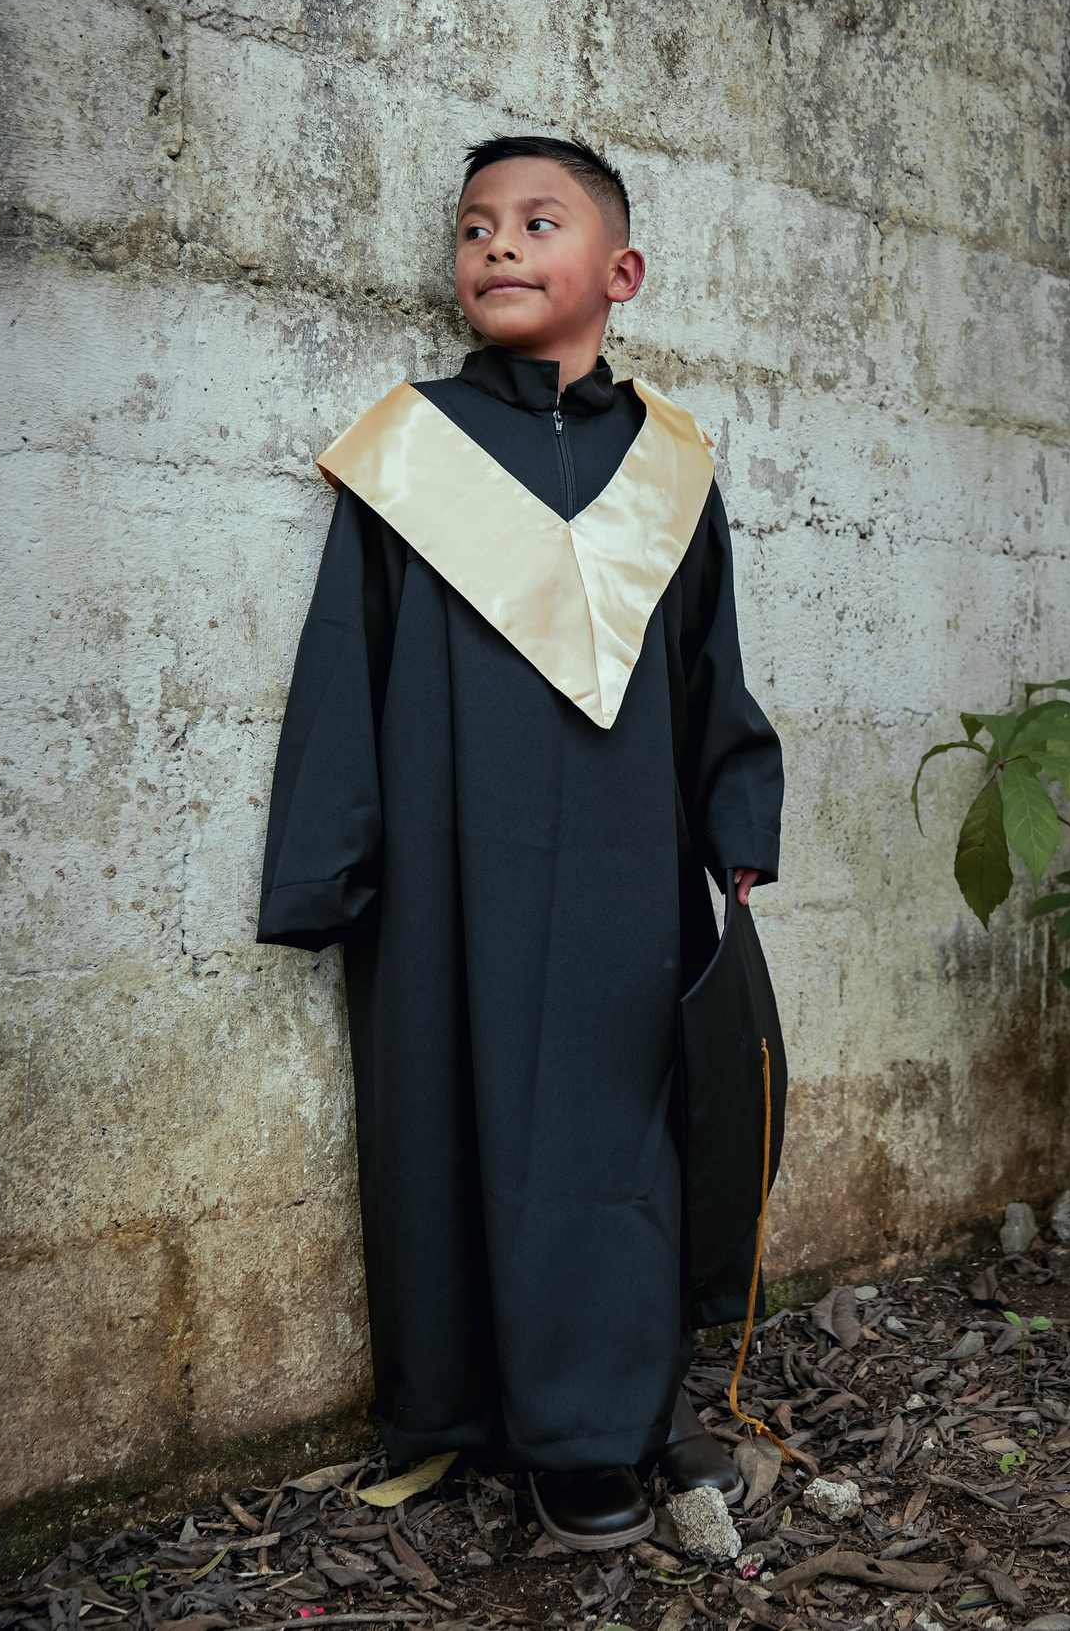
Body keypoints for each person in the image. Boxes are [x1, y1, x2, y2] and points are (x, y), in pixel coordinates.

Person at [256, 133, 784, 1550]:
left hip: (629, 864)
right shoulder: (413, 448)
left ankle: (604, 1421)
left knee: (621, 1135)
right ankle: (476, 1414)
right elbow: (345, 661)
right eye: (475, 225)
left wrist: (735, 823)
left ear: (621, 272)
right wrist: (327, 867)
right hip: (446, 864)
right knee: (446, 1123)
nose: (497, 243)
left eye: (539, 222)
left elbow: (710, 664)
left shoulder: (672, 464)